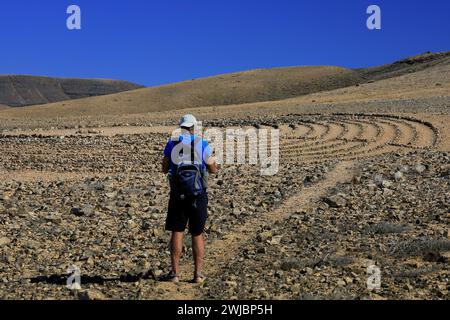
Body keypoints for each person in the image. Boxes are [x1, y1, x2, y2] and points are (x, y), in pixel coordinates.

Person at [162, 114, 218, 283]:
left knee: (177, 232)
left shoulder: (172, 144)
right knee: (197, 233)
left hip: (177, 194)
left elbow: (164, 169)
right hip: (198, 194)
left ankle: (175, 274)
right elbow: (213, 169)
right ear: (194, 127)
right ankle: (198, 275)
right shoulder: (203, 144)